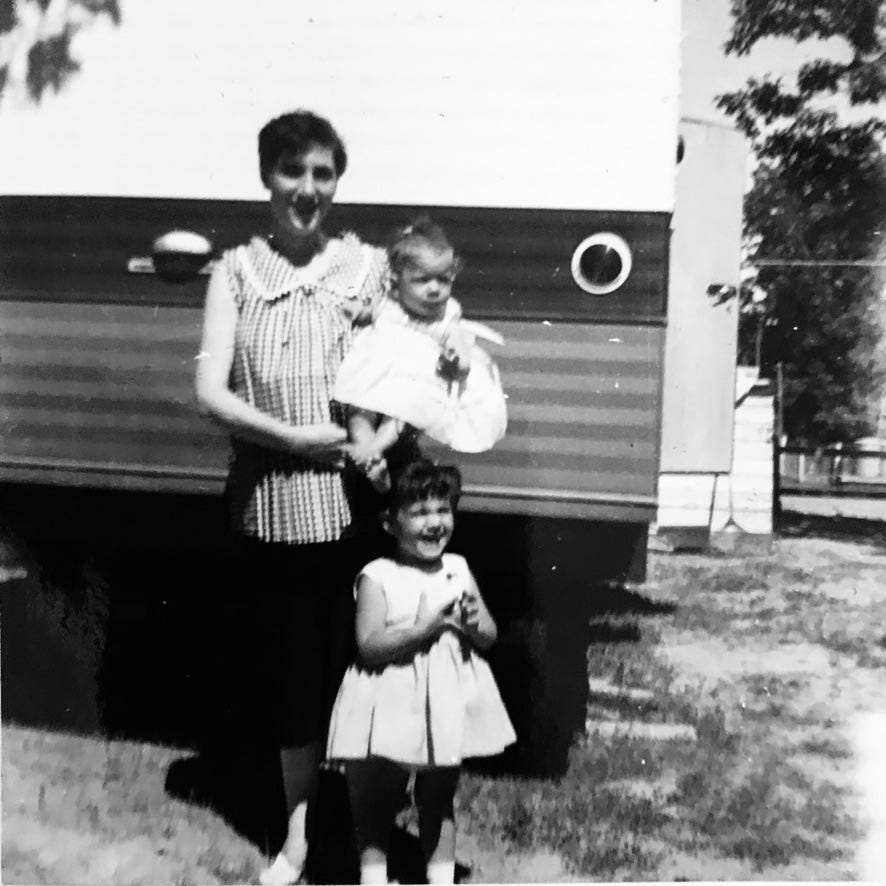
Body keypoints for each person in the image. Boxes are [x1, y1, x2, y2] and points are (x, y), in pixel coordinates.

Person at [194, 109, 389, 886]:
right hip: (274, 506)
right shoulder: (235, 270)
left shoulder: (370, 268)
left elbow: (407, 366)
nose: (307, 190)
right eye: (292, 171)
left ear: (337, 182)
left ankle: (372, 838)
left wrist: (377, 438)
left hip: (360, 507)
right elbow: (209, 389)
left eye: (322, 173)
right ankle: (300, 840)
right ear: (266, 178)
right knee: (294, 679)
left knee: (370, 667)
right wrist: (291, 438)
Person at [325, 459, 516, 885]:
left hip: (443, 701)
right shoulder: (378, 576)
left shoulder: (458, 569)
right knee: (377, 798)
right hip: (389, 700)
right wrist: (423, 629)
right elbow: (369, 644)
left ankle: (441, 878)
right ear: (390, 523)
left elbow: (489, 635)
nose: (434, 523)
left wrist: (472, 622)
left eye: (442, 510)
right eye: (419, 512)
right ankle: (373, 876)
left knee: (438, 795)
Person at [333, 217, 508, 493]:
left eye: (443, 280)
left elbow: (458, 342)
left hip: (414, 378)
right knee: (358, 408)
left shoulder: (446, 314)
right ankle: (368, 454)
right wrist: (356, 310)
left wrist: (457, 363)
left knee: (399, 413)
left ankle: (377, 447)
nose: (435, 289)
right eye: (423, 280)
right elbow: (369, 312)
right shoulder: (388, 303)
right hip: (376, 369)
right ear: (395, 282)